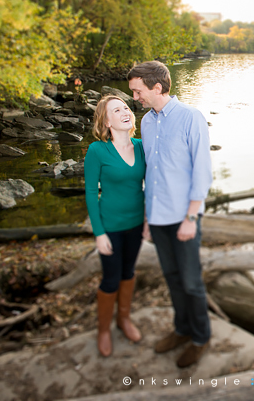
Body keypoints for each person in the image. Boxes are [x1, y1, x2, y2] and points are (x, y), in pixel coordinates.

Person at [127, 61, 214, 368]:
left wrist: (191, 218)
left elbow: (202, 171)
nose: (135, 97)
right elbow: (152, 173)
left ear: (157, 88)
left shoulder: (191, 118)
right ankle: (182, 330)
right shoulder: (147, 123)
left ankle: (201, 338)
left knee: (191, 282)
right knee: (173, 279)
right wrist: (149, 218)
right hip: (159, 217)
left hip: (184, 217)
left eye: (138, 91)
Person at [84, 95, 146, 357]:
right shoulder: (97, 150)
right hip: (110, 226)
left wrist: (148, 221)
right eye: (116, 110)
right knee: (110, 280)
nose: (125, 112)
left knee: (129, 273)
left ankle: (124, 319)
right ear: (106, 121)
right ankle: (104, 330)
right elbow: (89, 193)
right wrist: (99, 233)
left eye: (126, 108)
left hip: (136, 225)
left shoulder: (142, 146)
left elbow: (152, 185)